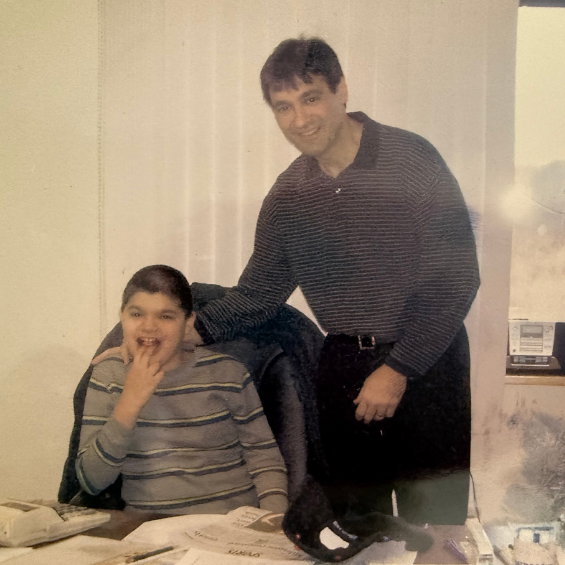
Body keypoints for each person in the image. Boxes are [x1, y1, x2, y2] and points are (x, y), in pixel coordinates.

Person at [187, 37, 480, 525]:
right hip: (344, 367)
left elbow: (457, 277)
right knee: (353, 527)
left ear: (341, 90)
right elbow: (257, 295)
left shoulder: (412, 160)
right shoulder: (288, 197)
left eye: (311, 98)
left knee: (434, 531)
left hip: (429, 363)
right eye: (283, 107)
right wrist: (182, 332)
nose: (300, 119)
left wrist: (398, 369)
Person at [77, 265, 288, 515]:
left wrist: (273, 521)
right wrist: (129, 403)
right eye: (136, 314)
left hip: (231, 521)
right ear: (122, 317)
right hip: (150, 527)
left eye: (165, 316)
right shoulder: (109, 374)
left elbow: (265, 459)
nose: (148, 326)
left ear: (188, 323)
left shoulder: (227, 372)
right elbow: (91, 482)